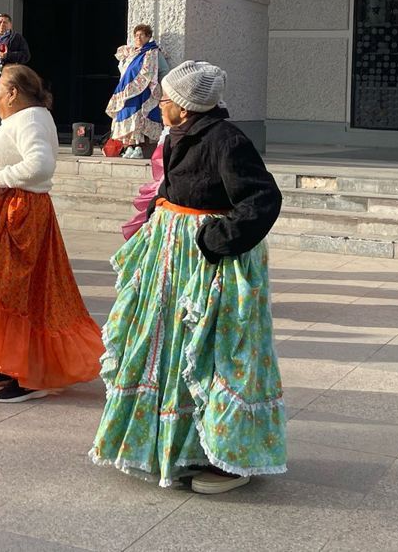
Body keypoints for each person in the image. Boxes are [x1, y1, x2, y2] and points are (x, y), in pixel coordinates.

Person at [91, 61, 286, 494]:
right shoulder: (177, 134)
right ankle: (181, 447)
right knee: (169, 348)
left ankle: (230, 457)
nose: (161, 103)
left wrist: (215, 239)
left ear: (185, 105)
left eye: (166, 98)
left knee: (213, 351)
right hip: (173, 260)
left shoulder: (226, 140)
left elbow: (262, 198)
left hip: (208, 264)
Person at [0, 65, 104, 403]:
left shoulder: (30, 118)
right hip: (6, 213)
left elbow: (40, 164)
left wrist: (0, 179)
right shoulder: (24, 118)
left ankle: (31, 373)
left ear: (13, 93)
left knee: (18, 293)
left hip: (17, 216)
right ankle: (10, 361)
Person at [106, 24, 169, 159]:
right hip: (127, 92)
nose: (138, 38)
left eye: (141, 35)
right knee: (127, 117)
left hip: (143, 92)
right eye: (136, 35)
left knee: (139, 118)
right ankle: (129, 147)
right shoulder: (130, 53)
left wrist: (164, 90)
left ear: (148, 37)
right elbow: (123, 71)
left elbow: (164, 71)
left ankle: (139, 148)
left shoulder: (154, 53)